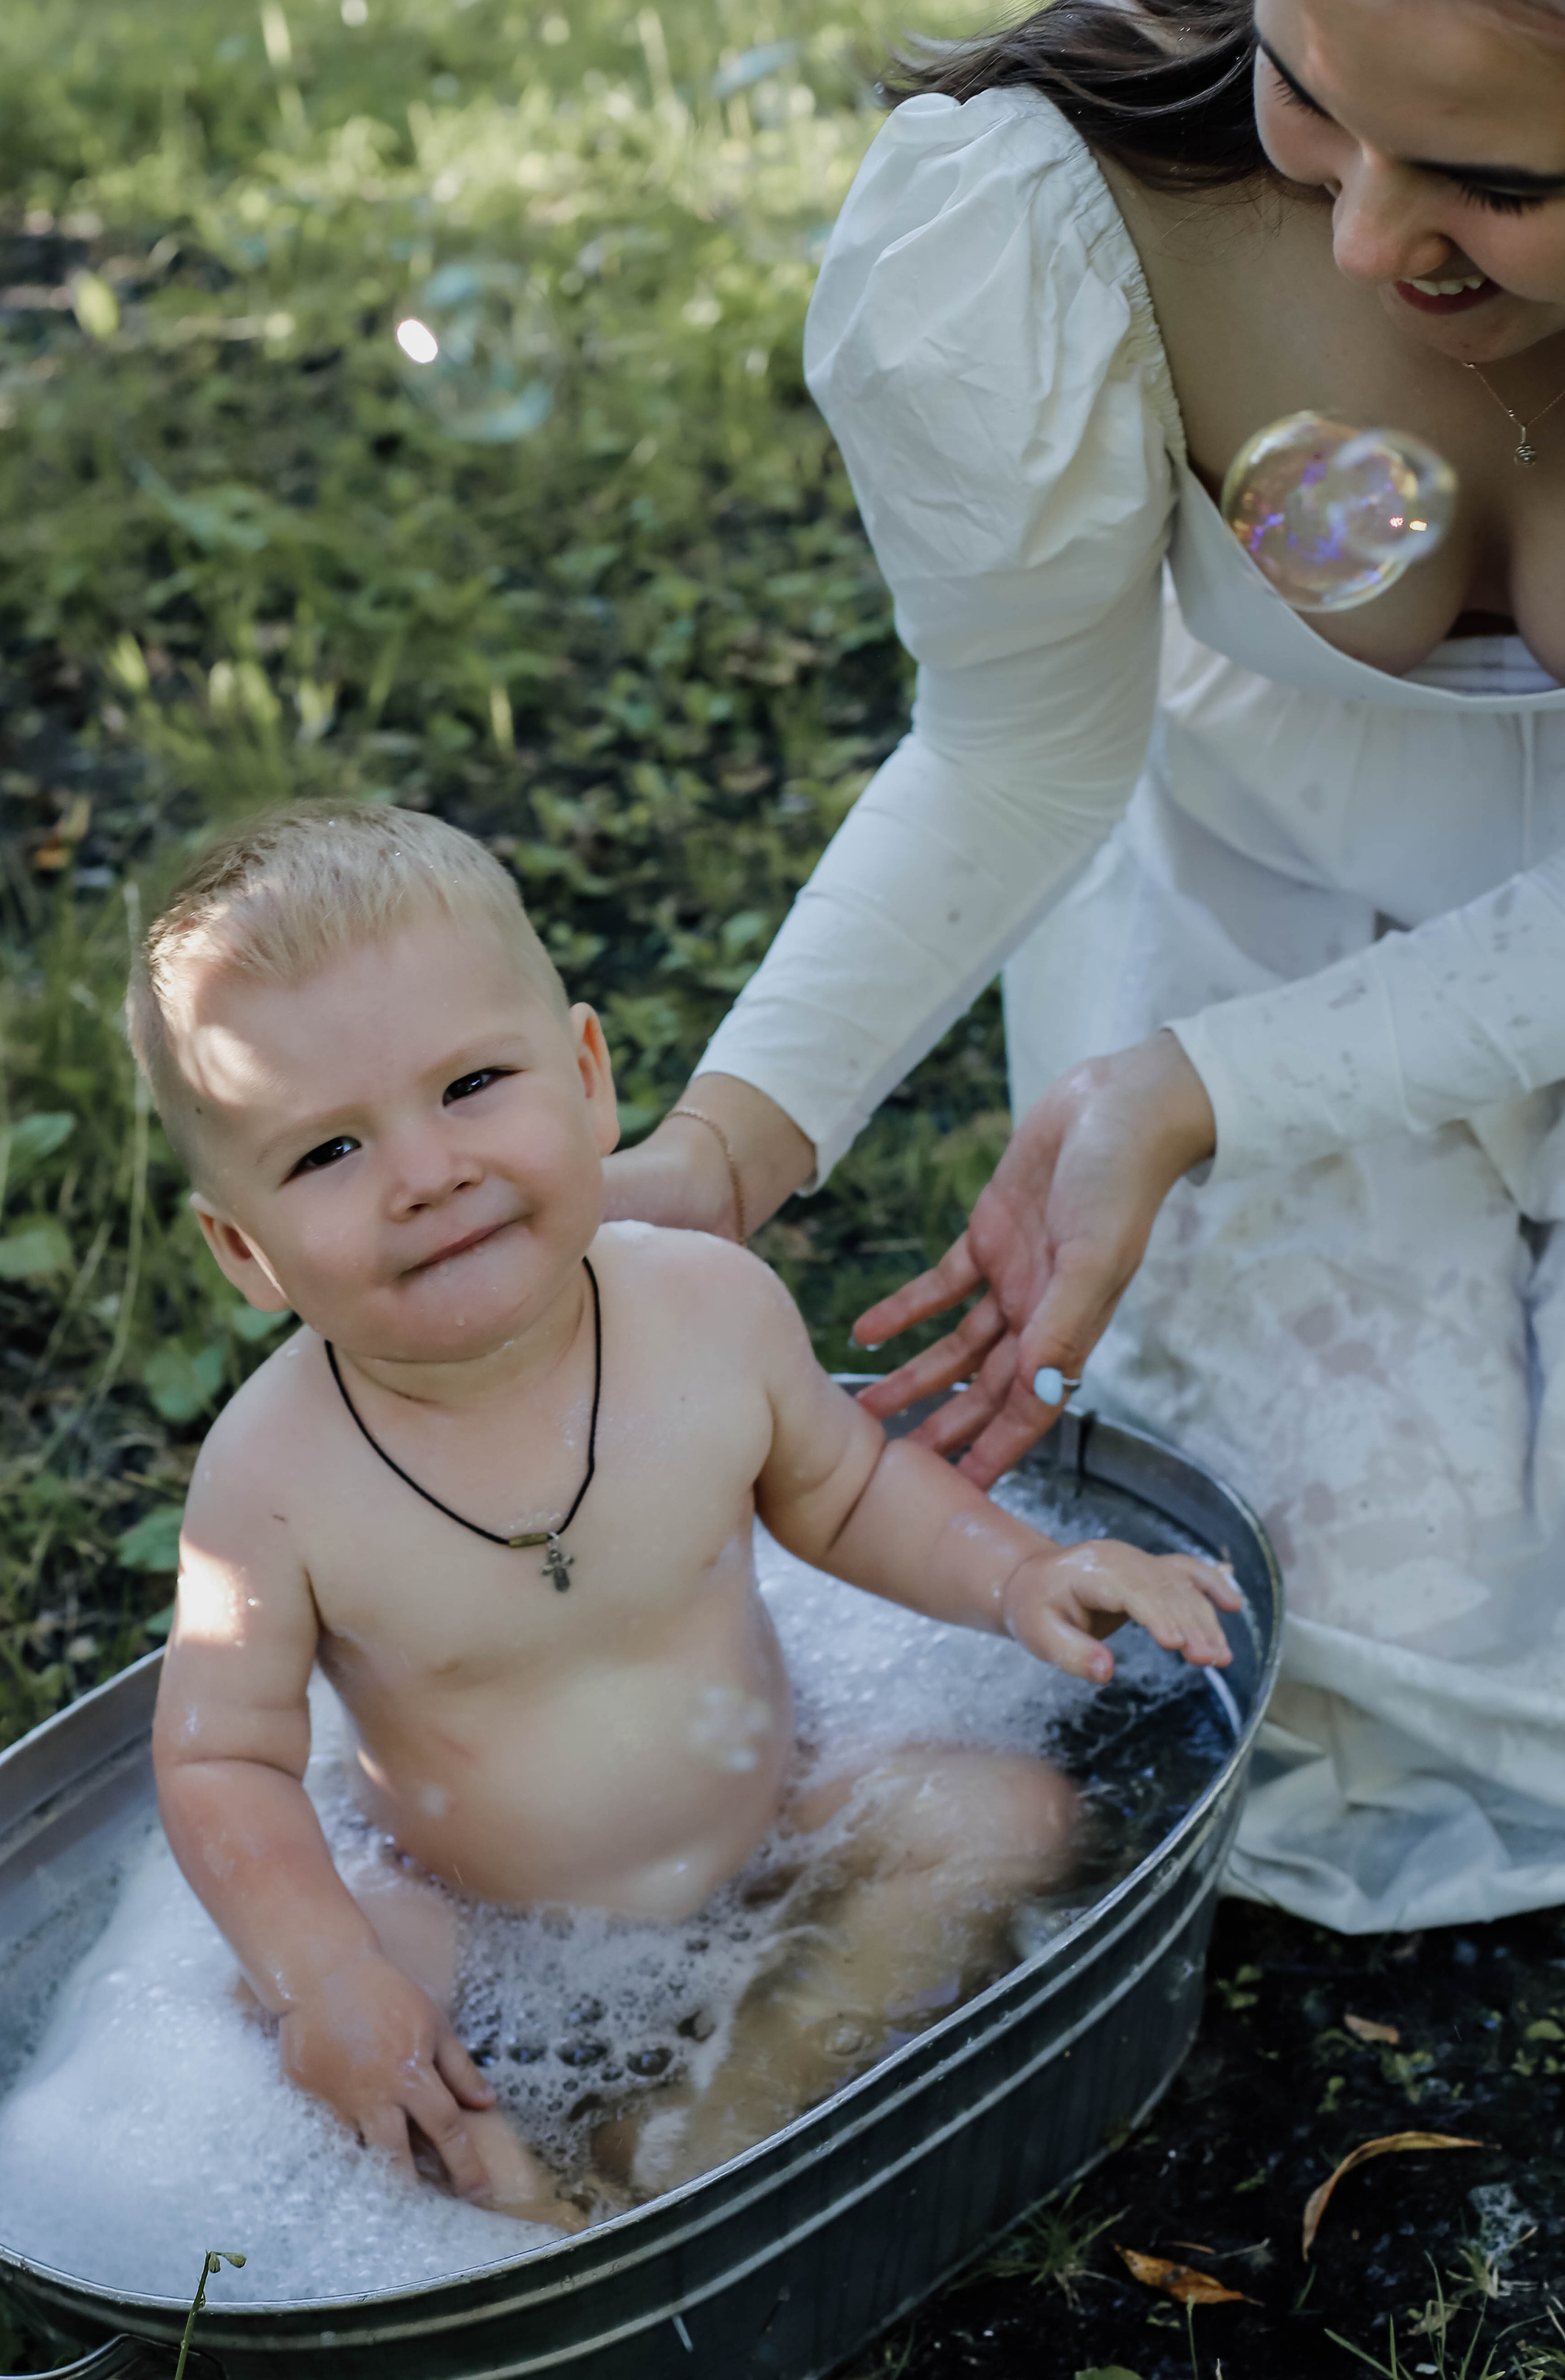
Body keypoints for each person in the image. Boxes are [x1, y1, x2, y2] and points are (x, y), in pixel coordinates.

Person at [608, 0, 1565, 1936]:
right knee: (1347, 1625)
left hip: (1282, 1046)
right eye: (1310, 94)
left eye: (1503, 181)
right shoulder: (1061, 218)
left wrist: (1214, 1092)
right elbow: (1019, 745)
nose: (1372, 239)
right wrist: (732, 1140)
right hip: (1292, 907)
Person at [128, 801, 1239, 2221]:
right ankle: (507, 2224)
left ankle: (737, 2104)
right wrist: (326, 1972)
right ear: (245, 1250)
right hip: (479, 1921)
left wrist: (1020, 1575)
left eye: (472, 1084)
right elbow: (222, 1759)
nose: (428, 1173)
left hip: (779, 1820)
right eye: (325, 1155)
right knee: (318, 2012)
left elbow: (843, 1489)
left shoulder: (706, 1311)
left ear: (589, 1077)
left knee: (1009, 1815)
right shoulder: (271, 1484)